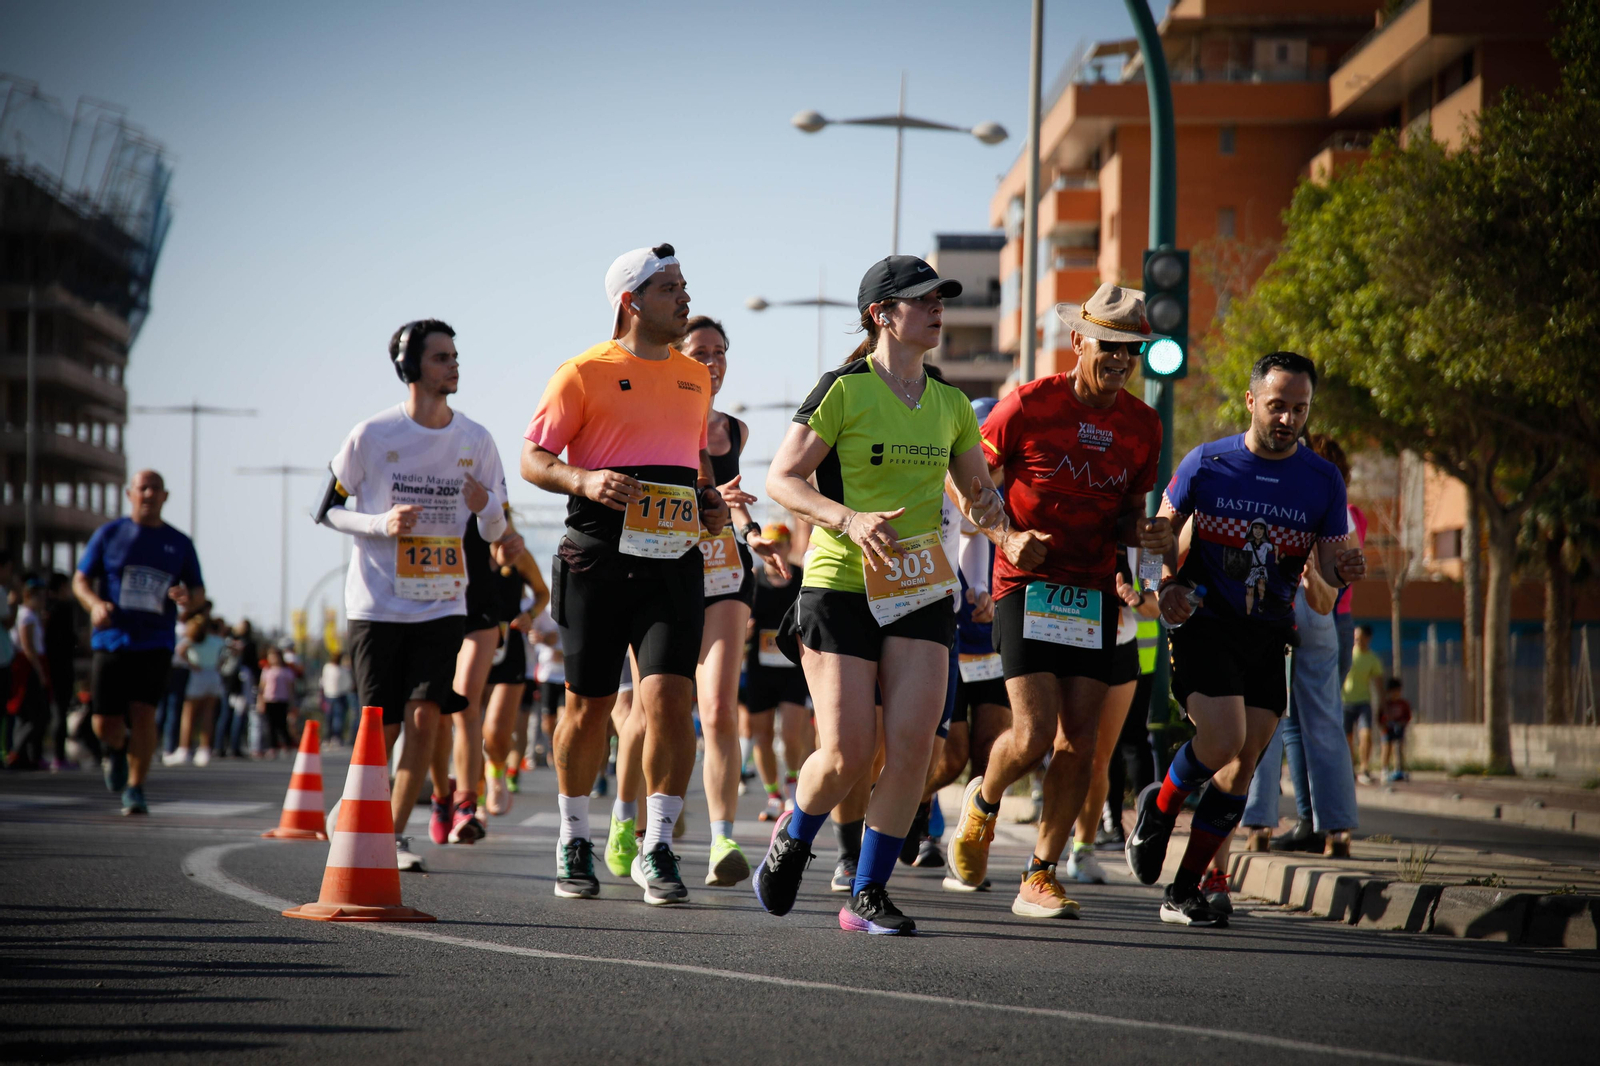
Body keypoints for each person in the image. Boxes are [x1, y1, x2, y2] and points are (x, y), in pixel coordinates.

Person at [754, 254, 1005, 936]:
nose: (937, 310)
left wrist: (1014, 529)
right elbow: (782, 479)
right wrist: (848, 518)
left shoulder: (952, 403)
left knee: (913, 744)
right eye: (923, 300)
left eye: (940, 299)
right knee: (847, 752)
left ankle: (867, 893)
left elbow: (980, 499)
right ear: (881, 315)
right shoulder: (844, 389)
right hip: (840, 583)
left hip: (921, 586)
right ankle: (795, 833)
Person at [946, 283, 1170, 922]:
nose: (1122, 360)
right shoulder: (1024, 405)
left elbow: (1129, 514)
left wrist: (1144, 541)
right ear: (1080, 342)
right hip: (1025, 586)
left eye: (1133, 350)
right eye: (1111, 346)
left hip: (1093, 591)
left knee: (1079, 743)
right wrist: (1008, 536)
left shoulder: (1143, 426)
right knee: (1034, 732)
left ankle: (1038, 876)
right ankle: (984, 803)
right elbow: (965, 482)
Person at [521, 244, 730, 904]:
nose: (684, 298)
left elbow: (693, 467)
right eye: (670, 288)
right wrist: (580, 476)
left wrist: (711, 502)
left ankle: (658, 846)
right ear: (630, 301)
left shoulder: (694, 378)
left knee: (670, 702)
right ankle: (574, 838)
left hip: (672, 555)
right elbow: (532, 457)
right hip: (597, 555)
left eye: (684, 286)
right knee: (587, 708)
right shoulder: (582, 372)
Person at [1132, 351, 1365, 927]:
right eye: (1278, 406)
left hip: (1268, 632)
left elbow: (1331, 568)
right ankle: (1158, 809)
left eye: (1300, 409)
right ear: (1251, 402)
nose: (1288, 419)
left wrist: (1346, 568)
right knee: (1223, 739)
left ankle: (1183, 890)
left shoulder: (1321, 479)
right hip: (1205, 622)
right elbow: (1162, 533)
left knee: (1241, 768)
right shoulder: (1206, 464)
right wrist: (1164, 587)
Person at [315, 318, 509, 873]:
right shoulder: (372, 435)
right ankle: (356, 808)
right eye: (441, 357)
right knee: (382, 723)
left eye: (455, 355)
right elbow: (324, 509)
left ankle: (391, 837)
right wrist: (381, 524)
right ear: (412, 368)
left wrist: (484, 506)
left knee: (426, 715)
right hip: (377, 602)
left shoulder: (476, 440)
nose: (454, 365)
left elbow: (496, 531)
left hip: (445, 600)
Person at [679, 315, 790, 886]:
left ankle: (723, 840)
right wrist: (703, 496)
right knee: (656, 715)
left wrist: (755, 537)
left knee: (719, 709)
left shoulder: (735, 430)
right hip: (662, 574)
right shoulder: (655, 420)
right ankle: (638, 823)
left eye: (720, 352)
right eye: (700, 352)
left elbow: (733, 501)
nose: (712, 362)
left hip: (723, 573)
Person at [73, 470, 205, 815]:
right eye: (142, 488)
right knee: (104, 723)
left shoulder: (179, 543)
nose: (148, 494)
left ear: (165, 496)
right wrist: (95, 604)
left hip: (155, 642)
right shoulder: (110, 534)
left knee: (145, 713)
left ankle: (135, 787)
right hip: (113, 639)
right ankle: (116, 750)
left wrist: (186, 599)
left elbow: (198, 593)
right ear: (130, 493)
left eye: (155, 489)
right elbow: (80, 580)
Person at [427, 515, 525, 846]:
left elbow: (506, 555)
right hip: (431, 606)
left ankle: (466, 805)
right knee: (436, 714)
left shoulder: (481, 485)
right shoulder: (421, 482)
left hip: (481, 615)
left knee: (465, 707)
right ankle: (442, 796)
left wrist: (504, 555)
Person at [1064, 551, 1160, 883]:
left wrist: (1137, 599)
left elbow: (1154, 605)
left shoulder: (1148, 543)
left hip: (1121, 645)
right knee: (1065, 750)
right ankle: (1046, 849)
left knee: (1099, 757)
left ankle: (1082, 849)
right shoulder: (1080, 508)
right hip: (1067, 636)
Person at [744, 523, 812, 823]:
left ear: (789, 545)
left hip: (794, 668)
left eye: (781, 544)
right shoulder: (754, 578)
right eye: (769, 545)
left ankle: (793, 782)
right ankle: (773, 794)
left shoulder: (800, 577)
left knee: (790, 733)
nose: (776, 551)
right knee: (761, 734)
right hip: (760, 668)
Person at [481, 539, 550, 816]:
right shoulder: (458, 542)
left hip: (508, 646)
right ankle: (470, 803)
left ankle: (496, 771)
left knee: (497, 731)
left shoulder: (517, 551)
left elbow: (542, 593)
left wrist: (530, 615)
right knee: (468, 725)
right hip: (468, 641)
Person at [6, 578, 51, 770]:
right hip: (29, 666)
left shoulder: (33, 616)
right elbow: (28, 646)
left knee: (32, 713)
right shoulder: (26, 616)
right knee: (34, 713)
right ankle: (18, 751)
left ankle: (28, 754)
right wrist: (40, 672)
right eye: (39, 596)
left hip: (34, 663)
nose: (42, 600)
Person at [43, 573, 78, 770]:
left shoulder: (45, 609)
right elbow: (70, 639)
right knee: (60, 711)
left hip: (46, 664)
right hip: (62, 666)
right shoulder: (64, 608)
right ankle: (59, 756)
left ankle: (38, 753)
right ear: (62, 587)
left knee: (46, 711)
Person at [1344, 625, 1386, 784]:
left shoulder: (1372, 659)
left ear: (1368, 639)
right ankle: (1350, 768)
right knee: (1347, 739)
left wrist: (1383, 705)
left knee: (1366, 734)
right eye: (1355, 637)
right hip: (1345, 702)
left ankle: (1365, 768)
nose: (1357, 640)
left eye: (1360, 638)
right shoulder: (1347, 655)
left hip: (1363, 703)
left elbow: (1378, 684)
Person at [257, 645, 297, 755]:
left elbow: (290, 687)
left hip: (282, 700)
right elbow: (262, 687)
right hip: (269, 700)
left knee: (282, 724)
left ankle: (286, 745)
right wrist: (260, 701)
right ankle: (272, 746)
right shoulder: (267, 670)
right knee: (270, 725)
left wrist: (292, 702)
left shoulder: (286, 671)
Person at [1379, 678, 1410, 781]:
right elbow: (1379, 717)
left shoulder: (1403, 704)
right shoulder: (1386, 704)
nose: (1395, 694)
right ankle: (1384, 769)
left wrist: (1402, 723)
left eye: (1398, 691)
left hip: (1399, 729)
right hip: (1387, 730)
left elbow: (1407, 717)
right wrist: (1383, 725)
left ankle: (1399, 768)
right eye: (1393, 692)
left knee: (1398, 748)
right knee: (1386, 747)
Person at [320, 652, 354, 746]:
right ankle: (333, 737)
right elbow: (348, 684)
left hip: (333, 695)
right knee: (335, 718)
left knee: (334, 718)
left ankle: (333, 737)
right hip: (336, 695)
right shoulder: (341, 670)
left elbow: (323, 681)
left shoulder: (329, 668)